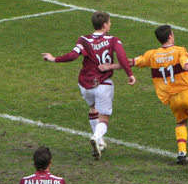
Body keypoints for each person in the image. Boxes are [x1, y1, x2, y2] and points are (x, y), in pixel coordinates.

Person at [41, 11, 135, 160]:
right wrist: (130, 74)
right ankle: (96, 137)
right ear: (105, 25)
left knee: (93, 107)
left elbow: (72, 56)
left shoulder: (83, 39)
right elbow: (122, 58)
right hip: (102, 83)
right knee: (104, 118)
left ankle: (100, 143)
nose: (110, 24)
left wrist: (53, 59)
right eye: (109, 22)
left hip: (84, 84)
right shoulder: (113, 40)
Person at [125, 25, 188, 164]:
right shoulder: (180, 50)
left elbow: (131, 62)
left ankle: (182, 152)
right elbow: (187, 66)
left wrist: (110, 65)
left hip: (172, 98)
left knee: (181, 122)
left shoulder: (152, 54)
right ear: (170, 36)